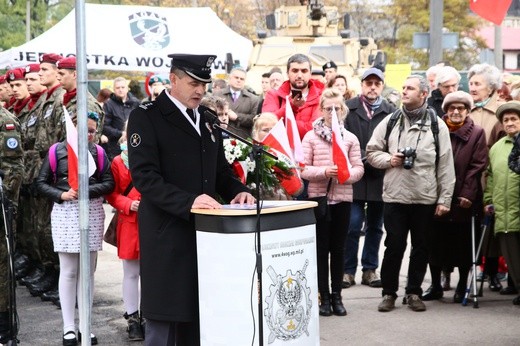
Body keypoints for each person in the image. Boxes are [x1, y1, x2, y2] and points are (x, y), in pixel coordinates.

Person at [127, 53, 254, 346]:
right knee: (165, 325)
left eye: (204, 84)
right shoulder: (147, 116)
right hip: (168, 233)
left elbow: (220, 171)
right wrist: (189, 202)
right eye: (193, 83)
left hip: (206, 235)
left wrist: (238, 191)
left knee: (200, 320)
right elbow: (145, 177)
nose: (200, 90)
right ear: (173, 79)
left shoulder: (207, 120)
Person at [366, 74, 455, 312]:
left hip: (425, 197)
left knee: (421, 246)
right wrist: (389, 159)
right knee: (393, 246)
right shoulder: (391, 121)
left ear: (424, 94)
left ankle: (414, 292)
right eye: (403, 87)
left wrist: (444, 199)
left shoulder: (438, 125)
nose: (404, 91)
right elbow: (372, 152)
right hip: (395, 195)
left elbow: (445, 165)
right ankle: (388, 293)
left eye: (410, 88)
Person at [36, 111, 114, 346]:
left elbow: (109, 182)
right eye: (83, 130)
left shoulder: (98, 152)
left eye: (92, 130)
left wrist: (86, 191)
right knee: (69, 271)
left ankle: (85, 325)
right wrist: (62, 194)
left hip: (91, 210)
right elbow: (40, 183)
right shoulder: (55, 151)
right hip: (65, 212)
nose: (88, 134)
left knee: (87, 274)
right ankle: (69, 327)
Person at [301, 88, 364, 317]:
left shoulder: (350, 138)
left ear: (344, 110)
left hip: (343, 199)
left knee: (339, 249)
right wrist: (324, 171)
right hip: (319, 199)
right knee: (320, 250)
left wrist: (347, 174)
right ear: (321, 110)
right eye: (329, 108)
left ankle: (337, 296)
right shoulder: (310, 136)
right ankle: (323, 297)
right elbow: (303, 169)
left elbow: (359, 167)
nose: (333, 112)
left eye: (337, 108)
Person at [422, 91, 487, 303]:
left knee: (462, 244)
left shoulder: (477, 133)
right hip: (437, 194)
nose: (456, 112)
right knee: (435, 241)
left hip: (463, 198)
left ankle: (461, 285)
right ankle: (435, 285)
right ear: (446, 111)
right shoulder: (436, 129)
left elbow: (477, 165)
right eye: (452, 108)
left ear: (468, 111)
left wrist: (468, 193)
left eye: (461, 108)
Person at [343, 67, 396, 289]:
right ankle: (347, 271)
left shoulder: (391, 111)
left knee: (375, 226)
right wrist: (360, 160)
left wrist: (378, 160)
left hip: (379, 177)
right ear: (362, 84)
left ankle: (370, 269)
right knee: (352, 225)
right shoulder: (349, 108)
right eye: (368, 83)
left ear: (382, 86)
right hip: (355, 177)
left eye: (377, 83)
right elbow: (342, 140)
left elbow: (394, 141)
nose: (372, 87)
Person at [467, 63, 506, 292]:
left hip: (492, 178)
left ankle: (492, 273)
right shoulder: (465, 108)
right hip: (469, 177)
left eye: (477, 84)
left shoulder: (501, 111)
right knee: (467, 226)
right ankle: (464, 274)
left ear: (490, 87)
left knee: (490, 229)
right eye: (471, 83)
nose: (472, 87)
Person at [105, 129, 144, 341]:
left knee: (150, 274)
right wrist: (129, 203)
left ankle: (148, 315)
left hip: (151, 222)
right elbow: (111, 193)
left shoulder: (155, 156)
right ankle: (132, 318)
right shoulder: (118, 161)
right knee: (130, 273)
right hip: (129, 222)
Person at [484, 101, 520, 305]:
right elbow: (489, 177)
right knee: (511, 253)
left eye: (514, 119)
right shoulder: (497, 148)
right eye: (506, 120)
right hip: (504, 211)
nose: (510, 123)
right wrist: (488, 200)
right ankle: (517, 284)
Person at [0, 105, 24, 344]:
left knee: (1, 271)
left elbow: (13, 169)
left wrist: (5, 203)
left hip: (0, 208)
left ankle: (4, 328)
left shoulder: (5, 121)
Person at [262, 53, 325, 139]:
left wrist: (284, 127)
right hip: (280, 150)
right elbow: (266, 124)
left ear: (310, 74)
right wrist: (291, 106)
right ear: (287, 73)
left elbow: (316, 130)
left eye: (304, 71)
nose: (299, 75)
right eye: (295, 71)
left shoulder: (322, 96)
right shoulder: (273, 95)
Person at [213, 67, 260, 139]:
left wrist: (237, 117)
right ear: (230, 78)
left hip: (242, 140)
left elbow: (255, 119)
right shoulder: (217, 94)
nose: (239, 80)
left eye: (242, 79)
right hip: (220, 136)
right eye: (236, 77)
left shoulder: (253, 99)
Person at [101, 77, 140, 160]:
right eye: (118, 88)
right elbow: (104, 126)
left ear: (127, 88)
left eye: (123, 87)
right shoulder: (108, 104)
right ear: (114, 89)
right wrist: (121, 133)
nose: (120, 90)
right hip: (115, 146)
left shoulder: (136, 103)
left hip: (134, 143)